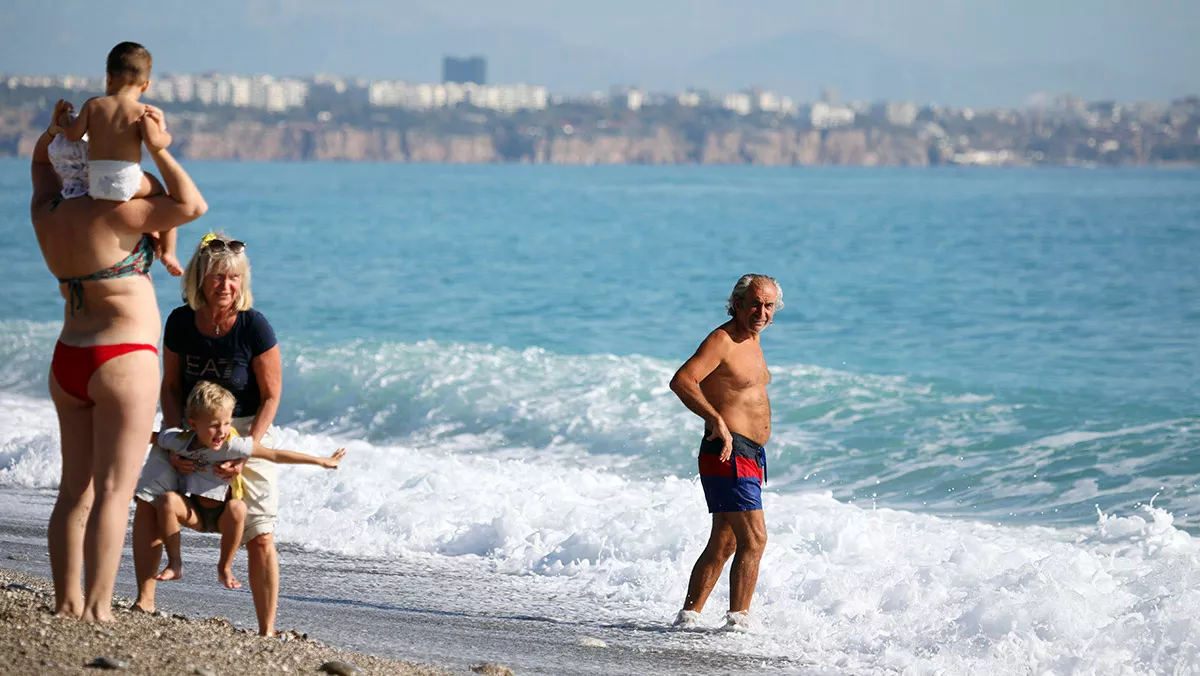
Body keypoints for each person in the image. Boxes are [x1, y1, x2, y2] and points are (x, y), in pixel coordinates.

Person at [31, 98, 207, 622]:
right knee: (113, 491)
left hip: (69, 358)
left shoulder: (48, 211)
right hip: (122, 357)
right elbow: (192, 204)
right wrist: (158, 149)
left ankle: (66, 603)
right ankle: (99, 608)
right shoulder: (121, 211)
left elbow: (41, 167)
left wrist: (55, 133)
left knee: (73, 493)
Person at [132, 231, 285, 636]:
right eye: (218, 277)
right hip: (188, 426)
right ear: (199, 279)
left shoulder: (254, 327)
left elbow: (271, 395)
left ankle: (266, 629)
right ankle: (145, 599)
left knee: (261, 531)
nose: (226, 286)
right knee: (148, 494)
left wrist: (248, 450)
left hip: (243, 430)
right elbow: (171, 385)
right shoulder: (181, 321)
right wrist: (175, 434)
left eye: (234, 278)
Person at [137, 381, 345, 589]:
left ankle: (225, 568)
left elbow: (273, 454)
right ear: (193, 424)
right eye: (213, 425)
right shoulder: (180, 441)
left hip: (225, 518)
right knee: (166, 500)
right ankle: (175, 563)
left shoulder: (232, 445)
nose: (222, 431)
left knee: (238, 507)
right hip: (195, 512)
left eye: (227, 423)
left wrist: (321, 461)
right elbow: (149, 437)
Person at [669, 274, 782, 632]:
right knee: (755, 539)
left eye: (768, 305)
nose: (761, 312)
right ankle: (739, 625)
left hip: (748, 452)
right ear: (737, 304)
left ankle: (688, 619)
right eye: (754, 304)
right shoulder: (723, 339)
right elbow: (682, 380)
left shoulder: (754, 340)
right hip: (727, 450)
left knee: (725, 541)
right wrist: (715, 418)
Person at [57, 41, 182, 276]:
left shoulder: (93, 105)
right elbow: (156, 142)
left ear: (108, 79)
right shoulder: (140, 112)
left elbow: (74, 135)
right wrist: (164, 131)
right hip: (127, 180)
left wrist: (64, 121)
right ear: (146, 85)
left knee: (144, 198)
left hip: (96, 182)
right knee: (165, 198)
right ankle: (168, 251)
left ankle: (152, 236)